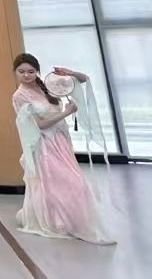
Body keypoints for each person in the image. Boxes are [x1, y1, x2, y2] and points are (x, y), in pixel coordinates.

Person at [12, 53, 114, 245]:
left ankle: (67, 221)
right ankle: (61, 222)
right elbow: (39, 125)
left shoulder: (48, 86)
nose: (26, 75)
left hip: (61, 142)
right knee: (68, 183)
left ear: (37, 71)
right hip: (43, 145)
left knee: (67, 184)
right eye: (21, 71)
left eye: (31, 71)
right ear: (15, 72)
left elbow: (84, 80)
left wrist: (70, 73)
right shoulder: (19, 96)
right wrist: (67, 112)